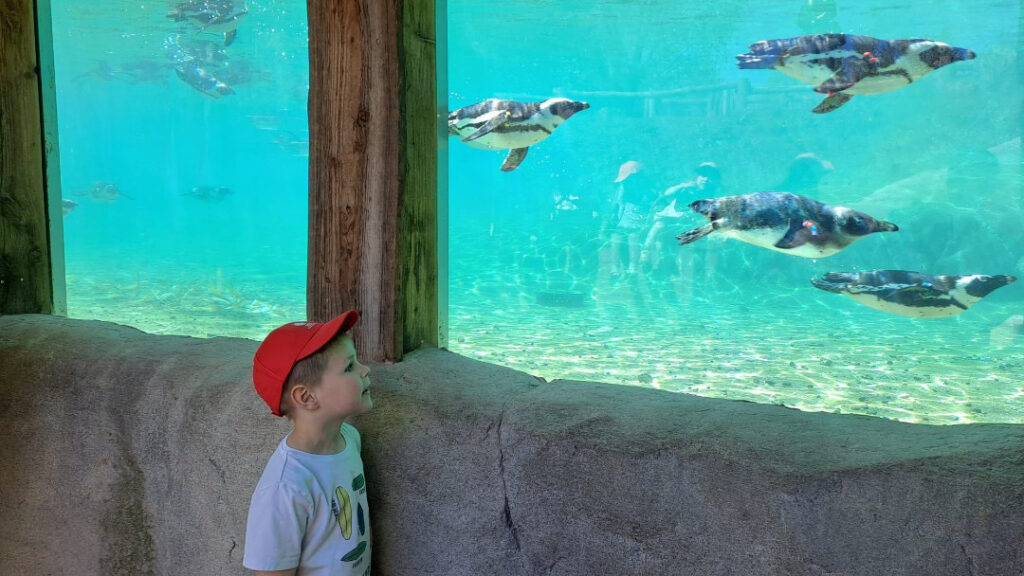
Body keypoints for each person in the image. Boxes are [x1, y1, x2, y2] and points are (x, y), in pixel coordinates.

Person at [244, 310, 373, 576]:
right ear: (306, 397)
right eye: (350, 367)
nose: (365, 370)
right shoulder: (285, 488)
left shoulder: (350, 439)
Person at [641, 161, 722, 277]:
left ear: (715, 180)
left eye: (710, 177)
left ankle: (705, 273)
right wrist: (683, 186)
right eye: (703, 175)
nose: (705, 179)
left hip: (689, 224)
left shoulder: (714, 193)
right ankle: (645, 253)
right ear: (697, 177)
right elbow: (667, 194)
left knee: (707, 240)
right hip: (673, 221)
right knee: (659, 228)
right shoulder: (687, 188)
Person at [607, 160, 657, 276]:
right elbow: (618, 205)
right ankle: (615, 266)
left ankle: (633, 266)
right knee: (616, 237)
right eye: (626, 181)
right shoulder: (623, 189)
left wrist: (647, 222)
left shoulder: (649, 190)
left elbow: (653, 205)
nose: (627, 183)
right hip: (624, 219)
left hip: (639, 220)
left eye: (630, 180)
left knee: (633, 236)